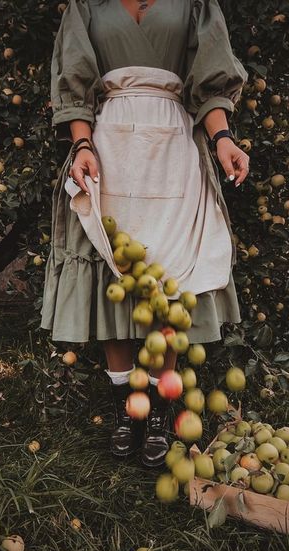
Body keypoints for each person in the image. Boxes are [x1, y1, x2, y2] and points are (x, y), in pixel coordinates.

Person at [40, 0, 250, 468]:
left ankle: (158, 409)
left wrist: (223, 139)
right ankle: (126, 408)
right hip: (110, 146)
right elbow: (74, 75)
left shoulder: (194, 3)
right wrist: (81, 142)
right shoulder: (86, 5)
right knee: (114, 275)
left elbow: (209, 76)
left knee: (168, 276)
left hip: (173, 147)